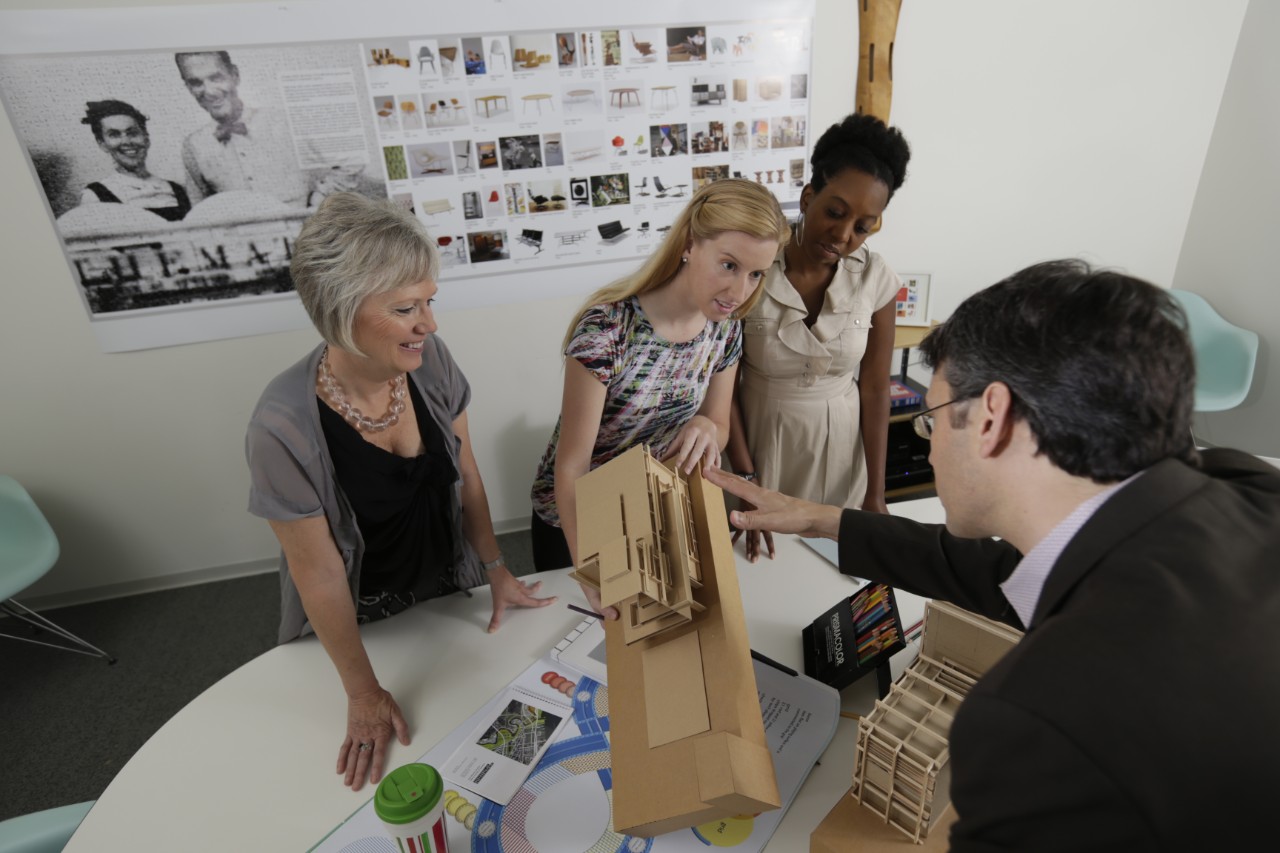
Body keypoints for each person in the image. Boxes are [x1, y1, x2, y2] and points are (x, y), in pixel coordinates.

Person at [707, 260, 1280, 850]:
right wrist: (824, 518)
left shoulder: (1033, 720)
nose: (928, 452)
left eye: (930, 422)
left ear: (992, 418)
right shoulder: (1244, 482)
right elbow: (1009, 573)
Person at [245, 193, 553, 790]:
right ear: (340, 312)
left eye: (430, 302)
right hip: (366, 623)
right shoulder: (280, 428)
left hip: (446, 593)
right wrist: (363, 691)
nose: (430, 325)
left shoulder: (429, 360)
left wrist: (495, 568)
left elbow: (466, 473)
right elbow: (321, 576)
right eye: (407, 308)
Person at [529, 178, 790, 613]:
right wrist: (588, 570)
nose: (740, 293)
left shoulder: (724, 329)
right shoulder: (607, 329)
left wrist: (708, 425)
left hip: (648, 512)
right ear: (690, 244)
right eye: (729, 265)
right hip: (575, 518)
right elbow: (571, 465)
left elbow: (720, 427)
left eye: (756, 274)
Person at [727, 113, 910, 563]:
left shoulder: (876, 277)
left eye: (863, 226)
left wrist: (876, 491)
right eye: (835, 212)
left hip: (842, 445)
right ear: (808, 197)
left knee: (828, 567)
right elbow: (722, 387)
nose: (844, 235)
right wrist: (747, 480)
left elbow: (874, 387)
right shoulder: (754, 268)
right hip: (758, 442)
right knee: (756, 566)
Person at [176, 50, 359, 208]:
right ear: (187, 87)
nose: (209, 91)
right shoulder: (194, 146)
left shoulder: (287, 121)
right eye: (196, 83)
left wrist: (317, 203)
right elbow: (201, 210)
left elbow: (352, 161)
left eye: (216, 78)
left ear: (235, 75)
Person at [78, 99, 191, 222]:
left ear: (146, 138)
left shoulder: (177, 190)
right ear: (102, 144)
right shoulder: (95, 195)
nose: (127, 141)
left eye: (133, 133)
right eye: (114, 135)